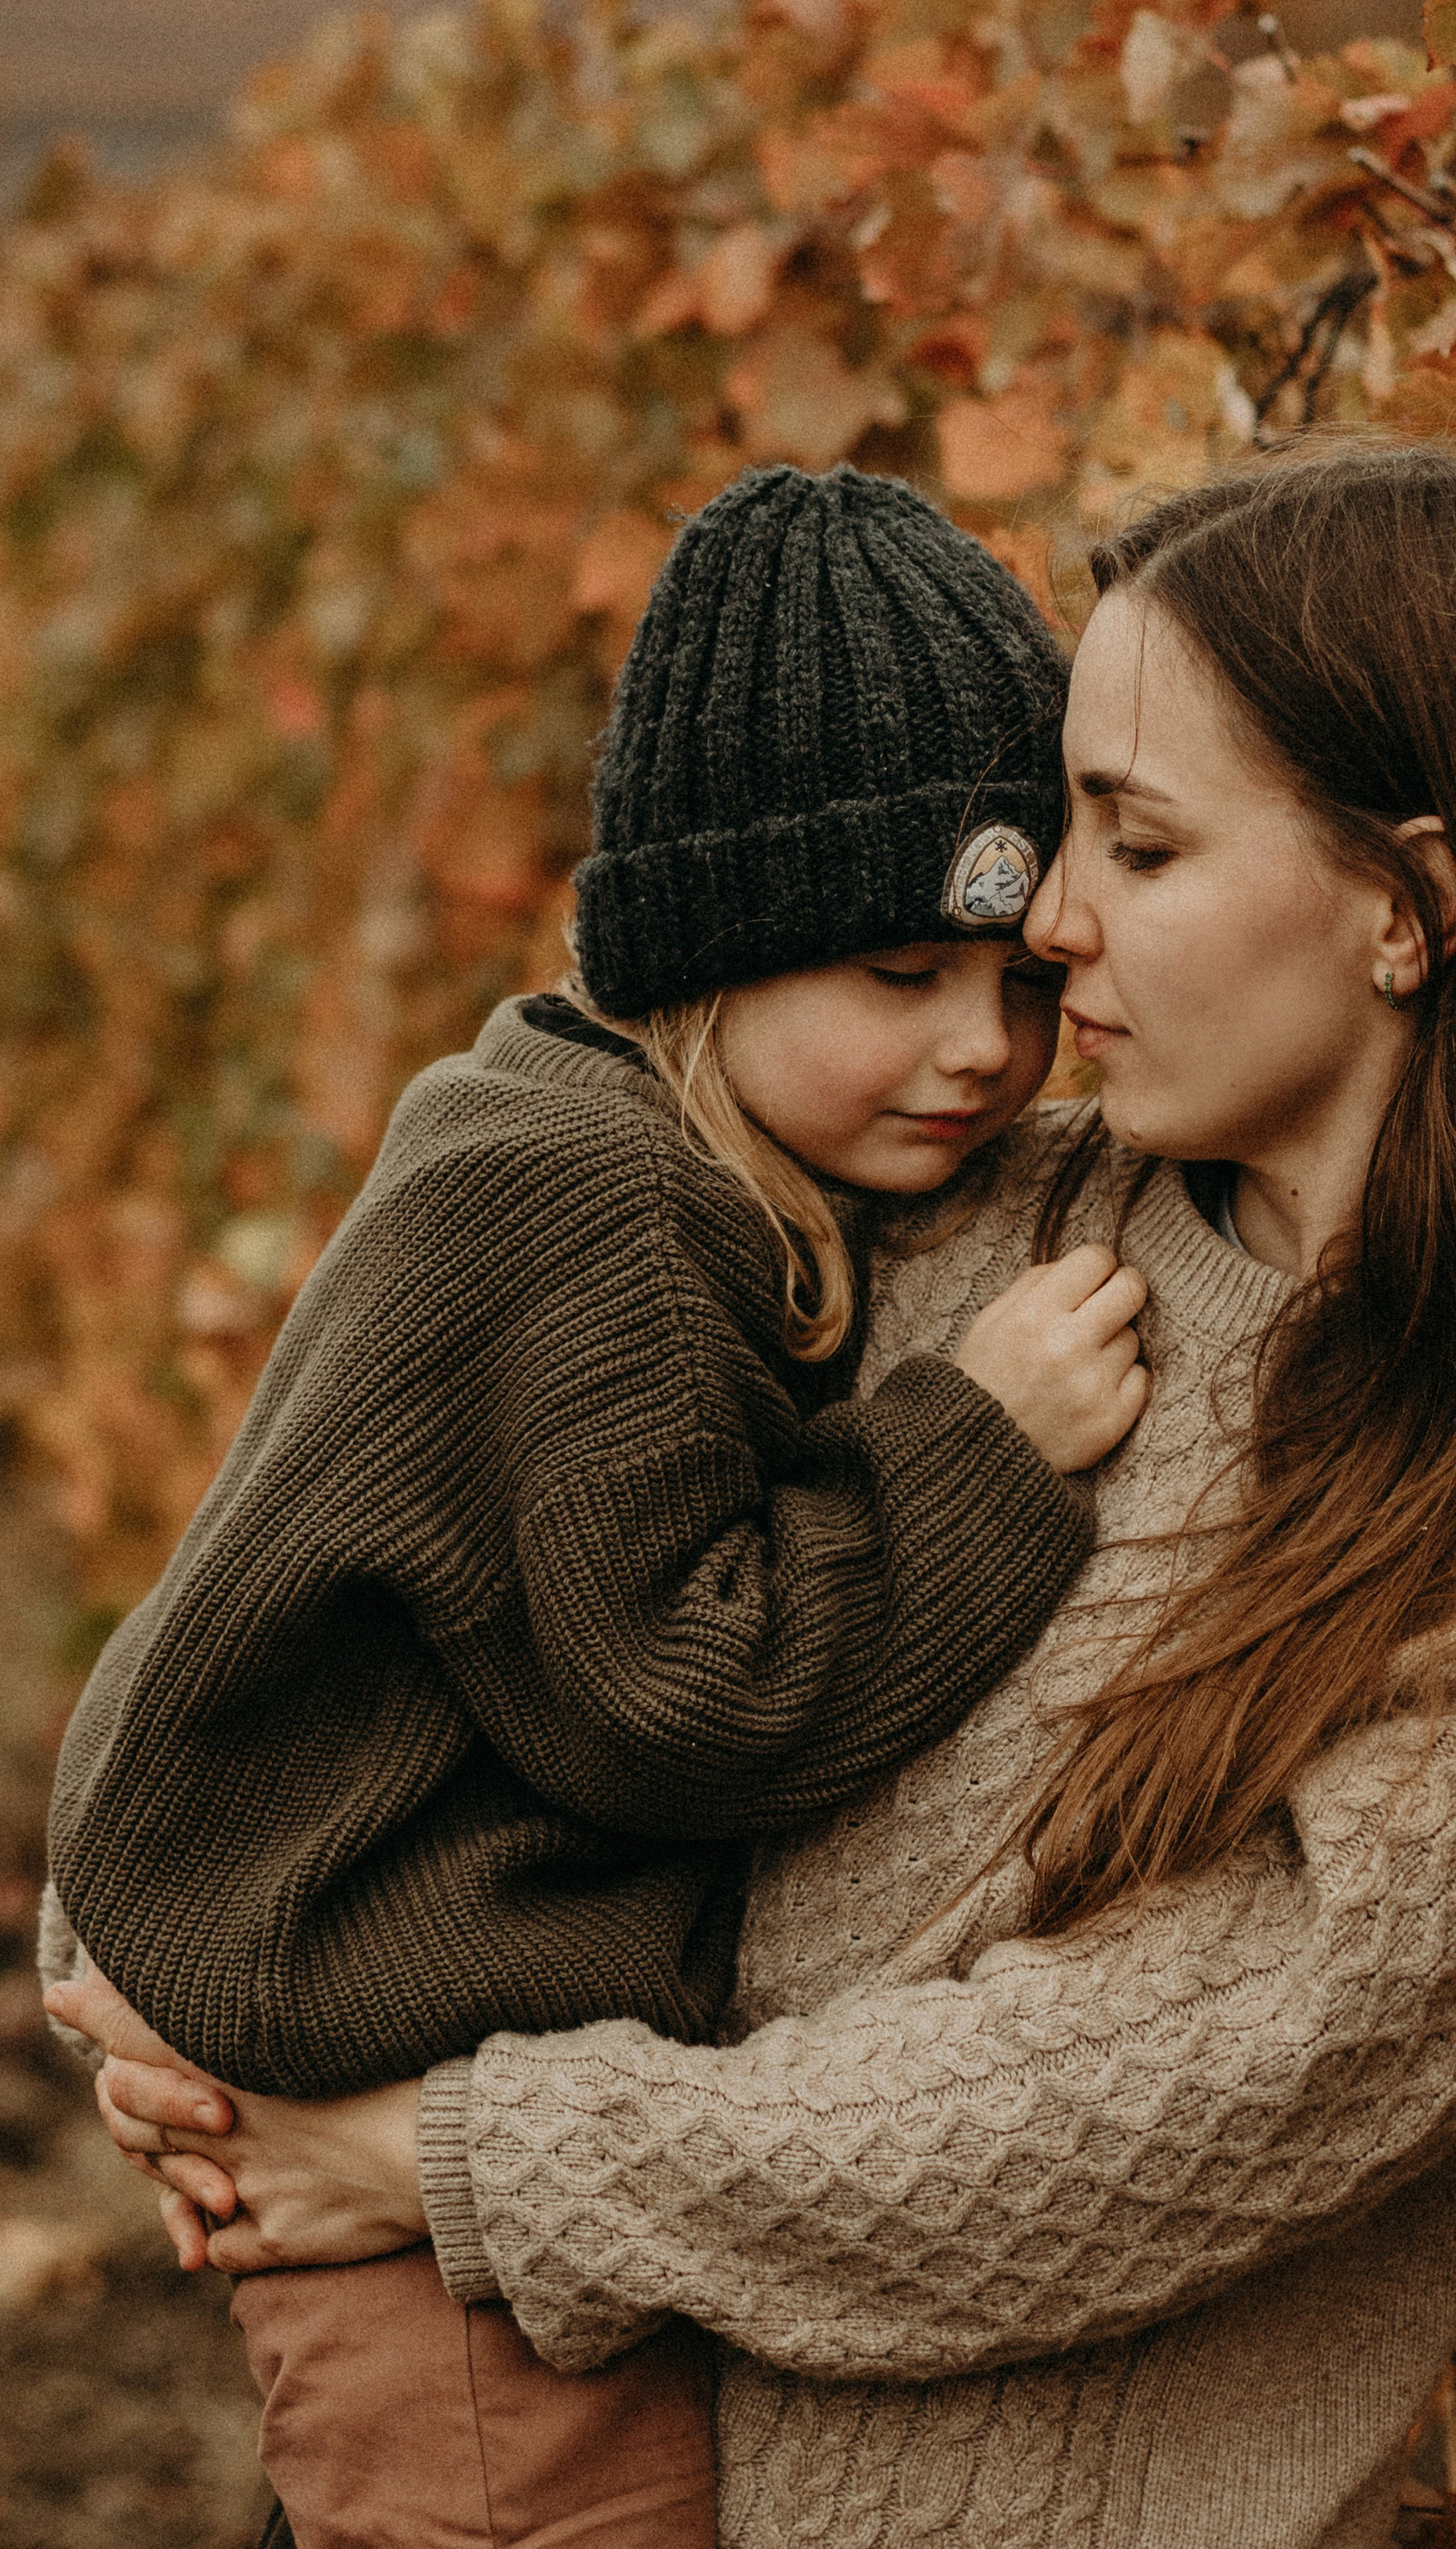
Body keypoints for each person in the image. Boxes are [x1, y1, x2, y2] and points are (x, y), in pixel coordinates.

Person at [55, 440, 1456, 2548]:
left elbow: (1097, 2131)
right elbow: (405, 1576)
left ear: (1412, 908)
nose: (1046, 910)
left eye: (1139, 840)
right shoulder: (945, 1218)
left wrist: (434, 2151)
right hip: (509, 2425)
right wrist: (204, 2001)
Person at [39, 463, 1151, 2549]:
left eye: (1018, 982)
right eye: (905, 973)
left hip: (358, 2020)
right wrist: (978, 1452)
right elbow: (686, 1694)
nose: (987, 1049)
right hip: (365, 2080)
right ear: (709, 960)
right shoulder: (605, 1214)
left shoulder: (576, 1125)